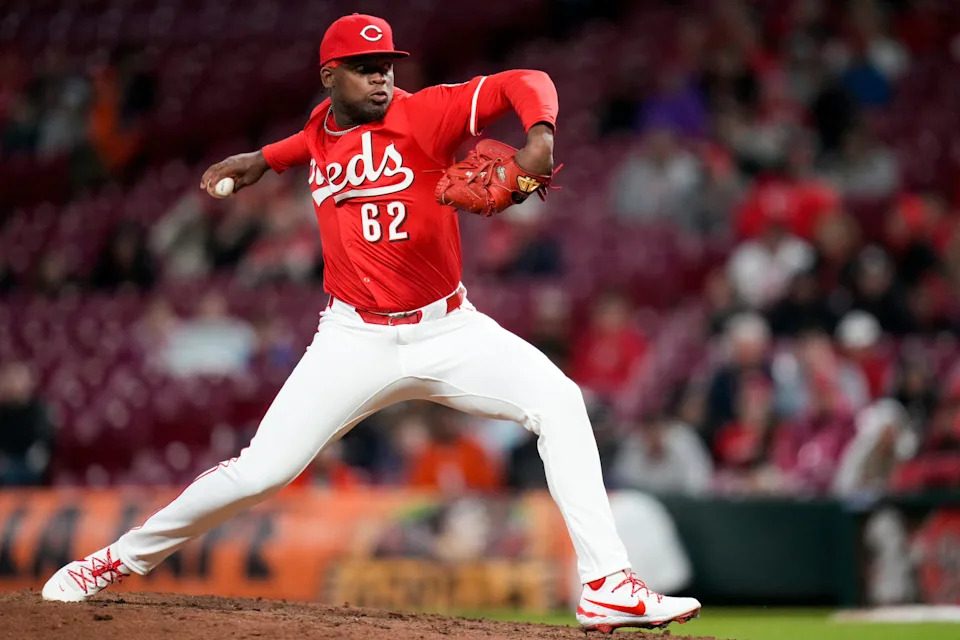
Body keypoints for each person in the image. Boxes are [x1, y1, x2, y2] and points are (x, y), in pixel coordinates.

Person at [42, 14, 700, 632]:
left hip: (450, 331)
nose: (381, 75)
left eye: (385, 63)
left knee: (560, 401)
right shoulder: (321, 127)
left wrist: (540, 138)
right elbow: (314, 140)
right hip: (353, 340)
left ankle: (608, 581)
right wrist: (263, 161)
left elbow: (527, 82)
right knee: (260, 473)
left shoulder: (428, 112)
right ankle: (115, 561)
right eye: (363, 66)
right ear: (331, 79)